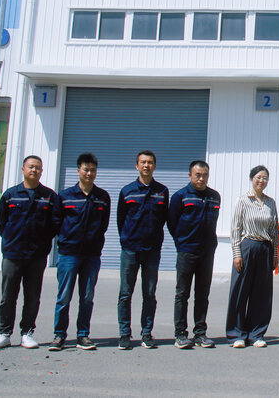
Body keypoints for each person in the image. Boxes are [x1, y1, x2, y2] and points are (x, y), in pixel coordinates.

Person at [0, 155, 58, 350]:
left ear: (42, 171)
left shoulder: (49, 196)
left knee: (32, 296)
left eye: (38, 168)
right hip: (13, 255)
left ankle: (27, 333)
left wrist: (42, 243)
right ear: (23, 169)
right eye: (31, 167)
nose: (34, 170)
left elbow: (55, 224)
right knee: (8, 296)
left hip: (36, 256)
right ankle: (4, 333)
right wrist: (11, 240)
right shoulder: (11, 195)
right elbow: (0, 222)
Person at [49, 153, 111, 352]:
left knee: (86, 297)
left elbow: (104, 225)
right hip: (68, 254)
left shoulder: (102, 197)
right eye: (86, 169)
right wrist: (66, 243)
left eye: (93, 170)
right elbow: (56, 223)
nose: (89, 173)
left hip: (92, 255)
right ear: (78, 170)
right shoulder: (65, 196)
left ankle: (83, 335)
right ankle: (59, 335)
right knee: (64, 296)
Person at [116, 150, 169, 350]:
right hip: (130, 249)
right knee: (125, 293)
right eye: (143, 162)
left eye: (150, 162)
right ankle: (124, 334)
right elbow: (120, 220)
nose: (146, 165)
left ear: (155, 166)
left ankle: (146, 333)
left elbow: (163, 218)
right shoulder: (127, 191)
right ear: (136, 166)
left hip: (152, 250)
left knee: (149, 293)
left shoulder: (162, 191)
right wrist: (126, 240)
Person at [168, 160, 220, 350]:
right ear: (190, 175)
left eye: (204, 175)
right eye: (197, 175)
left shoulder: (214, 197)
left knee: (202, 294)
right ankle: (180, 334)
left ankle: (200, 333)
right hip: (187, 251)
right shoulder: (180, 196)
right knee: (182, 293)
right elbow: (172, 223)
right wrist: (182, 243)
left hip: (206, 252)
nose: (201, 178)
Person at [226, 165, 279, 348]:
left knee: (262, 294)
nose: (261, 181)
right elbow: (236, 228)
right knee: (240, 291)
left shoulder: (271, 202)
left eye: (265, 178)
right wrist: (236, 254)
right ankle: (237, 334)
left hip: (265, 248)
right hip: (247, 246)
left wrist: (274, 255)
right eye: (258, 177)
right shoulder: (242, 200)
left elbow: (275, 231)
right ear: (251, 179)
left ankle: (256, 333)